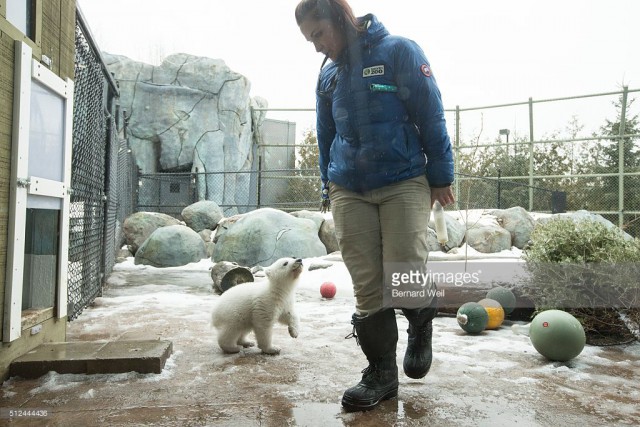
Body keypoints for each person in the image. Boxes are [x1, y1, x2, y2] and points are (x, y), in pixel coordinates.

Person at [295, 0, 455, 412]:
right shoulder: (327, 73)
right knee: (367, 286)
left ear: (339, 18)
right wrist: (328, 186)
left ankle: (421, 321)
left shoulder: (399, 51)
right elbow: (325, 133)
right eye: (308, 39)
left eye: (318, 34)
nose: (315, 47)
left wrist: (441, 176)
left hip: (402, 178)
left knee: (403, 271)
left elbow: (431, 113)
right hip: (348, 185)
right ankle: (381, 374)